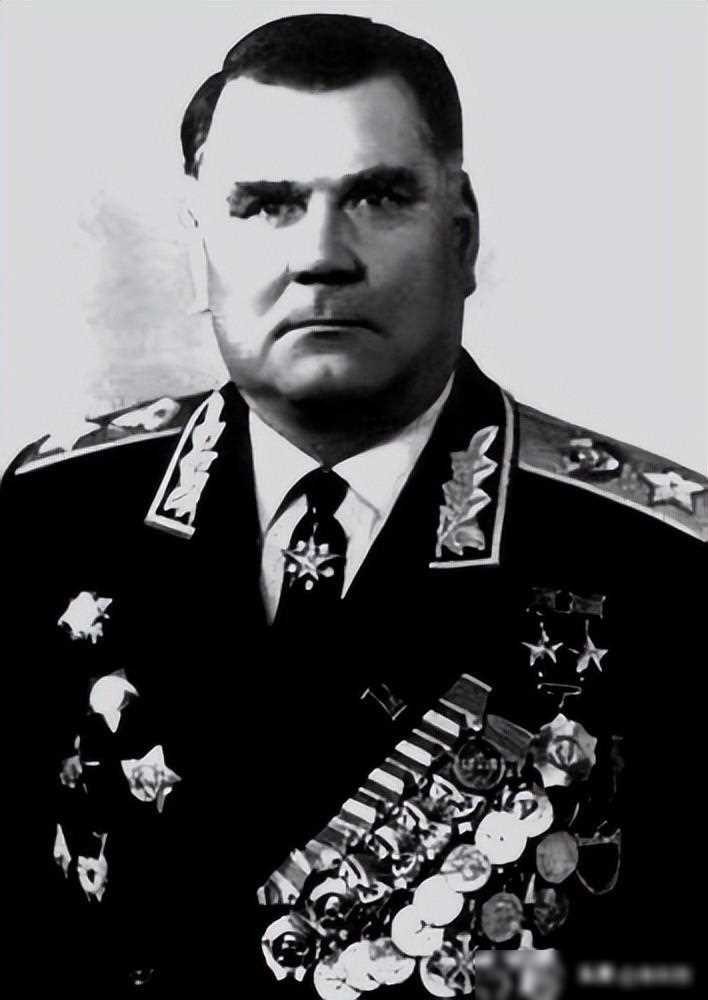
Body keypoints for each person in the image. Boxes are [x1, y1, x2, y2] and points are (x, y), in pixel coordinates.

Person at [1, 13, 704, 998]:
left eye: (378, 197)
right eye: (266, 205)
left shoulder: (661, 565)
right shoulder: (50, 514)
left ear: (461, 236)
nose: (323, 256)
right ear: (199, 251)